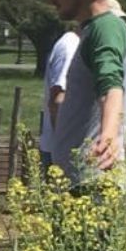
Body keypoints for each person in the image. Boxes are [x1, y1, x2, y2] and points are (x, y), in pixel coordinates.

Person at [46, 0, 126, 187]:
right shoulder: (93, 30)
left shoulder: (104, 28)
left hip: (93, 186)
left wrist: (108, 135)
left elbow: (111, 87)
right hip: (81, 184)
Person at [40, 28, 80, 170]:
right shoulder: (70, 47)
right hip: (63, 153)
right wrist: (64, 148)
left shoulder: (77, 45)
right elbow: (58, 100)